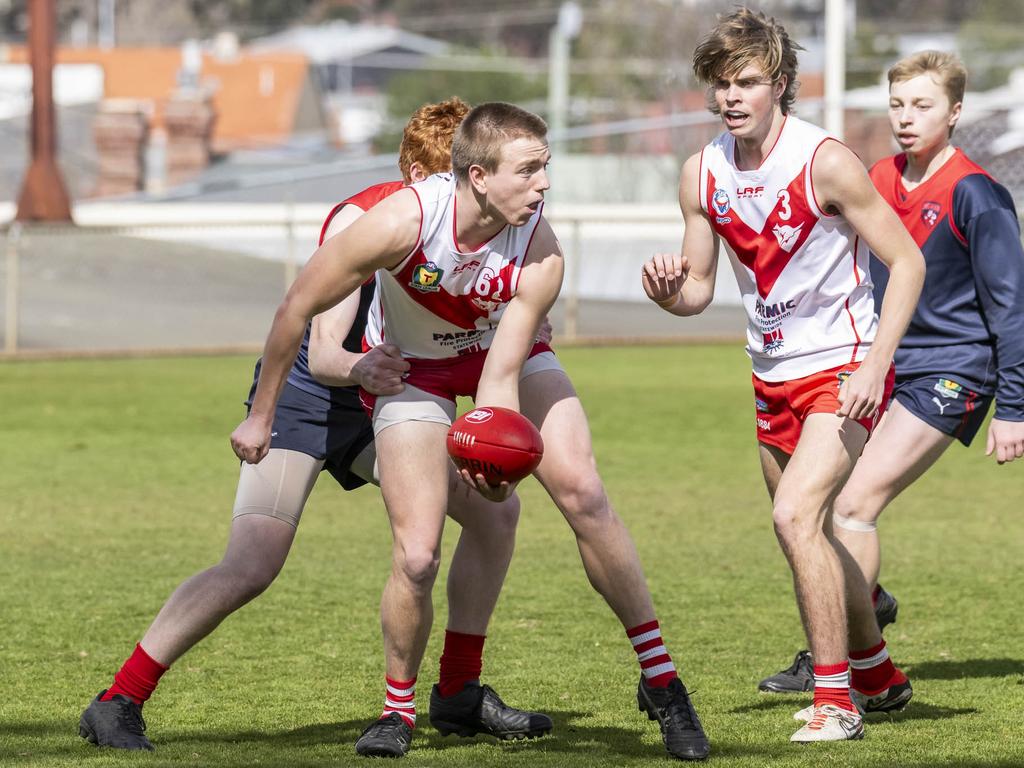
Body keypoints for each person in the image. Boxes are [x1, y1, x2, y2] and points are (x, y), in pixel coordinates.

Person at [231, 101, 711, 761]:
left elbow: (501, 373)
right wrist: (261, 414)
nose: (545, 184)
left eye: (547, 167)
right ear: (479, 175)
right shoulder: (400, 221)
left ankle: (663, 681)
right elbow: (297, 309)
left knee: (584, 492)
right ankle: (397, 710)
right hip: (417, 370)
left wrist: (491, 459)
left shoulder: (540, 246)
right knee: (418, 555)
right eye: (530, 170)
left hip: (497, 360)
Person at [78, 98, 551, 754]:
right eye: (446, 178)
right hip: (317, 395)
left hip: (386, 394)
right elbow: (326, 351)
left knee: (497, 516)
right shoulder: (374, 220)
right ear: (424, 173)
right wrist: (268, 413)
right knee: (251, 564)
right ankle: (118, 699)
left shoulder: (481, 224)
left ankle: (459, 694)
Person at [641, 10, 925, 743]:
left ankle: (836, 703)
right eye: (721, 84)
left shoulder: (825, 161)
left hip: (841, 371)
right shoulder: (700, 173)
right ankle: (878, 674)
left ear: (781, 86)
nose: (731, 97)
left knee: (794, 517)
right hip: (769, 374)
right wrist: (671, 293)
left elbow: (909, 264)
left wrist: (875, 364)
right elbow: (700, 288)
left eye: (747, 82)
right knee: (815, 534)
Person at [758, 50, 1024, 698]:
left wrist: (1015, 407)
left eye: (924, 105)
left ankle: (849, 663)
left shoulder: (976, 193)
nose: (907, 118)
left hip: (953, 371)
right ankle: (859, 608)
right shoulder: (874, 176)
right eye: (898, 104)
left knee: (852, 506)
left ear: (956, 112)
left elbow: (1012, 307)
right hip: (879, 366)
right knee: (809, 505)